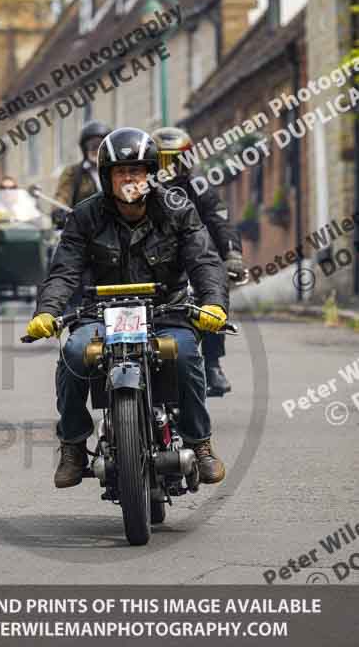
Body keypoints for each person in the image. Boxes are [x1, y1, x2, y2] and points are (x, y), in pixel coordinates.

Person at [26, 127, 229, 489]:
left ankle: (200, 444)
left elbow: (205, 261)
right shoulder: (85, 216)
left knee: (183, 355)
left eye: (137, 170)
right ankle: (72, 445)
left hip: (167, 311)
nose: (129, 178)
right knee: (73, 352)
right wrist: (47, 311)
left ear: (151, 173)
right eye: (121, 171)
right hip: (99, 313)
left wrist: (213, 303)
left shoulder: (177, 209)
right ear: (107, 177)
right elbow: (64, 269)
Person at [151, 126, 245, 396]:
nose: (170, 169)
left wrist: (232, 254)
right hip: (155, 264)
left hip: (194, 258)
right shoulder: (142, 191)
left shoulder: (199, 187)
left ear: (188, 161)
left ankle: (213, 364)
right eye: (163, 162)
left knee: (212, 298)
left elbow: (219, 220)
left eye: (176, 161)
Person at [51, 120, 111, 227]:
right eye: (91, 145)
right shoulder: (73, 172)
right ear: (84, 148)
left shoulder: (117, 170)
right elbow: (62, 196)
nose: (95, 149)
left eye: (100, 144)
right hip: (84, 227)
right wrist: (59, 211)